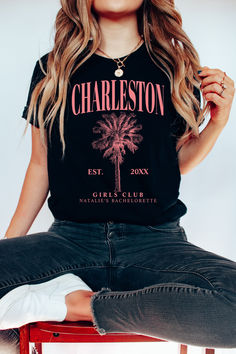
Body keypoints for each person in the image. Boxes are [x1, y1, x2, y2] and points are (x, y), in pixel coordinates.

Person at [1, 0, 235, 352]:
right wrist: (10, 252)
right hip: (71, 241)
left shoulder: (175, 68)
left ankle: (80, 306)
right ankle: (68, 299)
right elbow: (40, 164)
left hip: (157, 243)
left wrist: (217, 123)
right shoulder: (53, 69)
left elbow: (175, 162)